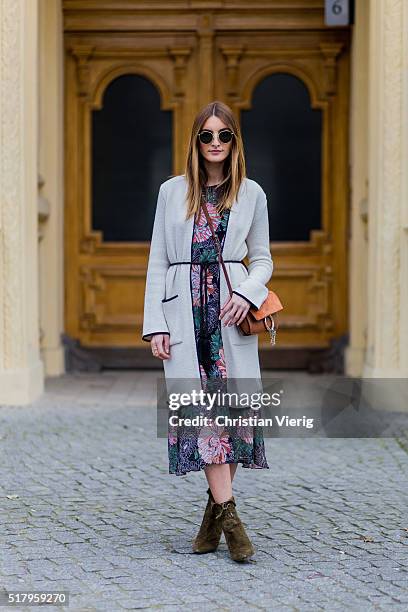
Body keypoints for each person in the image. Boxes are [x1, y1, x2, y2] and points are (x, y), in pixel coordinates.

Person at [142, 100, 273, 562]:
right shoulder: (171, 191)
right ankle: (231, 521)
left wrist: (249, 292)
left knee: (232, 416)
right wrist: (154, 323)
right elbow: (158, 258)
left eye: (224, 136)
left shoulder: (251, 193)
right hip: (184, 316)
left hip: (228, 315)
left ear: (234, 142)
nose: (215, 143)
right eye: (207, 136)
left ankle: (211, 516)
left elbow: (263, 258)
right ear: (195, 141)